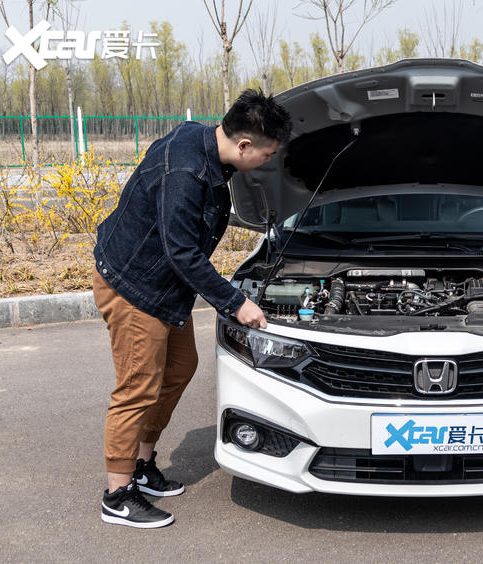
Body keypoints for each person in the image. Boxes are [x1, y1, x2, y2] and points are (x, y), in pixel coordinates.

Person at [93, 89, 292, 528]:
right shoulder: (186, 170)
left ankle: (142, 465)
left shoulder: (205, 147)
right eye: (266, 154)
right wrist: (235, 303)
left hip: (164, 288)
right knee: (138, 386)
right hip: (134, 286)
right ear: (244, 146)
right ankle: (117, 494)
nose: (266, 162)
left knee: (180, 367)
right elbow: (182, 251)